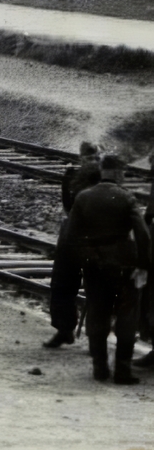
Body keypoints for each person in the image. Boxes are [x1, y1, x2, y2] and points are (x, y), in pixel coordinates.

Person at [59, 153, 152, 385]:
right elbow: (142, 234)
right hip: (124, 266)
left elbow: (71, 237)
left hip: (95, 267)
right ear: (119, 173)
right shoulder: (126, 198)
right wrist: (143, 266)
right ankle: (122, 371)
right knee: (126, 318)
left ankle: (100, 368)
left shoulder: (83, 197)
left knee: (98, 315)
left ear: (102, 171)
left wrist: (87, 259)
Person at [44, 142, 101, 348]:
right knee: (61, 284)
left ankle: (97, 339)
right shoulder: (72, 176)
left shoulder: (104, 179)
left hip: (96, 238)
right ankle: (64, 329)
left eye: (95, 158)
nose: (91, 162)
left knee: (97, 288)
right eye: (87, 158)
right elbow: (67, 205)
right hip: (71, 236)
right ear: (80, 159)